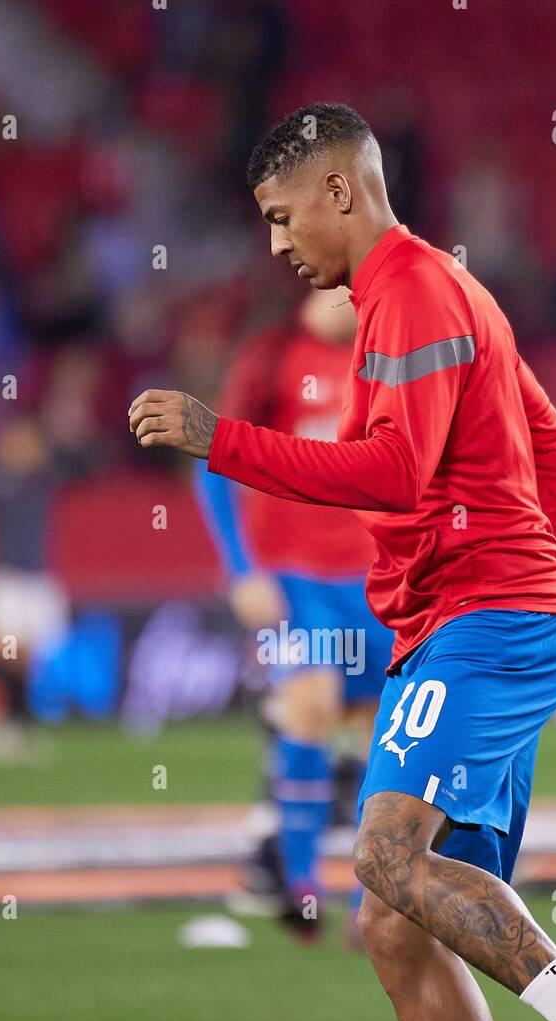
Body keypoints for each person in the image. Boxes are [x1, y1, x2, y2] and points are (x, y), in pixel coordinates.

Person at [128, 104, 556, 1021]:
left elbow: (393, 471)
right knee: (392, 921)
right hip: (477, 622)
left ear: (341, 191)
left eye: (284, 218)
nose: (277, 246)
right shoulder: (443, 294)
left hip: (482, 617)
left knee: (382, 853)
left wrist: (217, 438)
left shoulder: (414, 294)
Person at [194, 288, 391, 942]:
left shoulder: (390, 358)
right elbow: (215, 456)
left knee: (379, 733)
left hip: (374, 577)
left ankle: (375, 901)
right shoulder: (272, 354)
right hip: (289, 577)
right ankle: (302, 885)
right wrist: (240, 569)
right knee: (310, 700)